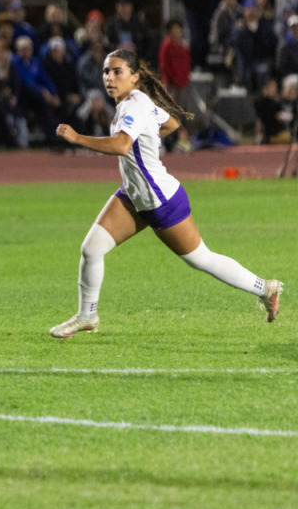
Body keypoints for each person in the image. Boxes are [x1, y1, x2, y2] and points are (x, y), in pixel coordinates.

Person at [50, 48, 282, 339]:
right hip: (134, 195)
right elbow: (171, 123)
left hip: (161, 200)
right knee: (91, 249)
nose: (109, 77)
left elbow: (122, 145)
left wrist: (76, 138)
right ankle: (87, 315)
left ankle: (265, 288)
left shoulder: (133, 104)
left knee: (201, 258)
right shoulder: (137, 101)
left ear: (134, 77)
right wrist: (145, 140)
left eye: (117, 71)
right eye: (106, 72)